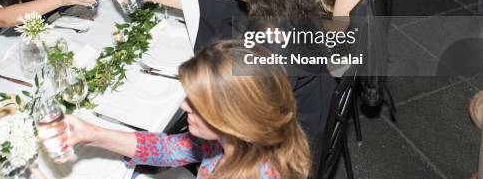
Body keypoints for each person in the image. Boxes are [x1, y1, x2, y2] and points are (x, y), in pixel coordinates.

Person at [124, 0, 336, 152]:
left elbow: (245, 118)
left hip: (291, 142)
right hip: (303, 111)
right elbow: (213, 6)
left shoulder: (275, 48)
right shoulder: (286, 2)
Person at [61, 41, 312, 179]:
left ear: (232, 116)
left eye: (197, 102)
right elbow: (167, 149)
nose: (183, 105)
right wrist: (93, 134)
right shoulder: (234, 141)